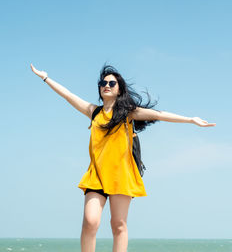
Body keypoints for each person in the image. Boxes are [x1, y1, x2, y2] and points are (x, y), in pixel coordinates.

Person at [30, 63, 216, 252]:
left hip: (121, 176)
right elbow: (68, 95)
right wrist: (46, 78)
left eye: (112, 82)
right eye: (103, 82)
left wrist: (191, 120)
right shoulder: (94, 112)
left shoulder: (128, 113)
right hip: (96, 176)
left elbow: (159, 115)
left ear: (119, 89)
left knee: (118, 225)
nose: (107, 85)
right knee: (90, 221)